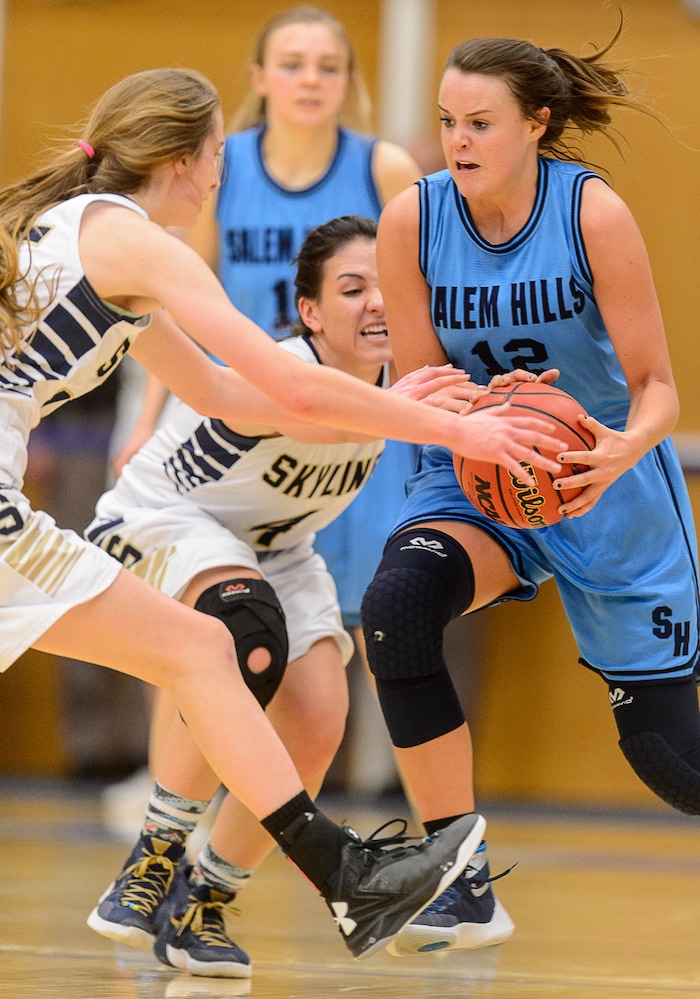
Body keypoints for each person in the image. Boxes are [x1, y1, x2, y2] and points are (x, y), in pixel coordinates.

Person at [0, 66, 567, 962]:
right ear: (187, 160)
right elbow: (285, 382)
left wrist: (414, 406)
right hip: (93, 512)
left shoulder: (87, 240)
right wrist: (455, 423)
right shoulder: (138, 243)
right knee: (208, 644)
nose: (224, 175)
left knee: (220, 660)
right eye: (221, 155)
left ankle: (261, 884)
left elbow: (227, 389)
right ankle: (334, 873)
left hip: (181, 527)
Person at [360, 28, 700, 958]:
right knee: (396, 605)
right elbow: (417, 384)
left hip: (602, 483)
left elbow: (657, 389)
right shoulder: (411, 219)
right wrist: (472, 414)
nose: (458, 141)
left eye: (481, 122)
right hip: (476, 478)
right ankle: (457, 877)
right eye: (447, 122)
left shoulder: (595, 214)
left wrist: (616, 452)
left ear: (537, 124)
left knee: (674, 766)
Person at [86, 215, 479, 978]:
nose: (374, 305)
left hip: (276, 547)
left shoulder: (402, 382)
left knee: (319, 715)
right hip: (166, 518)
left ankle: (202, 902)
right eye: (351, 288)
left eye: (385, 289)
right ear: (309, 311)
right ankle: (151, 858)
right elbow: (322, 418)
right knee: (246, 634)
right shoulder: (281, 369)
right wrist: (425, 416)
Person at [118, 6, 424, 670]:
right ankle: (176, 771)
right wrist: (145, 421)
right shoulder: (220, 168)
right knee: (211, 620)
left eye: (328, 66)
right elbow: (177, 298)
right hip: (242, 418)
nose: (310, 80)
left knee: (376, 623)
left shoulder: (384, 168)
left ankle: (364, 775)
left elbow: (420, 299)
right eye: (293, 65)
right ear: (260, 76)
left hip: (357, 424)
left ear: (349, 80)